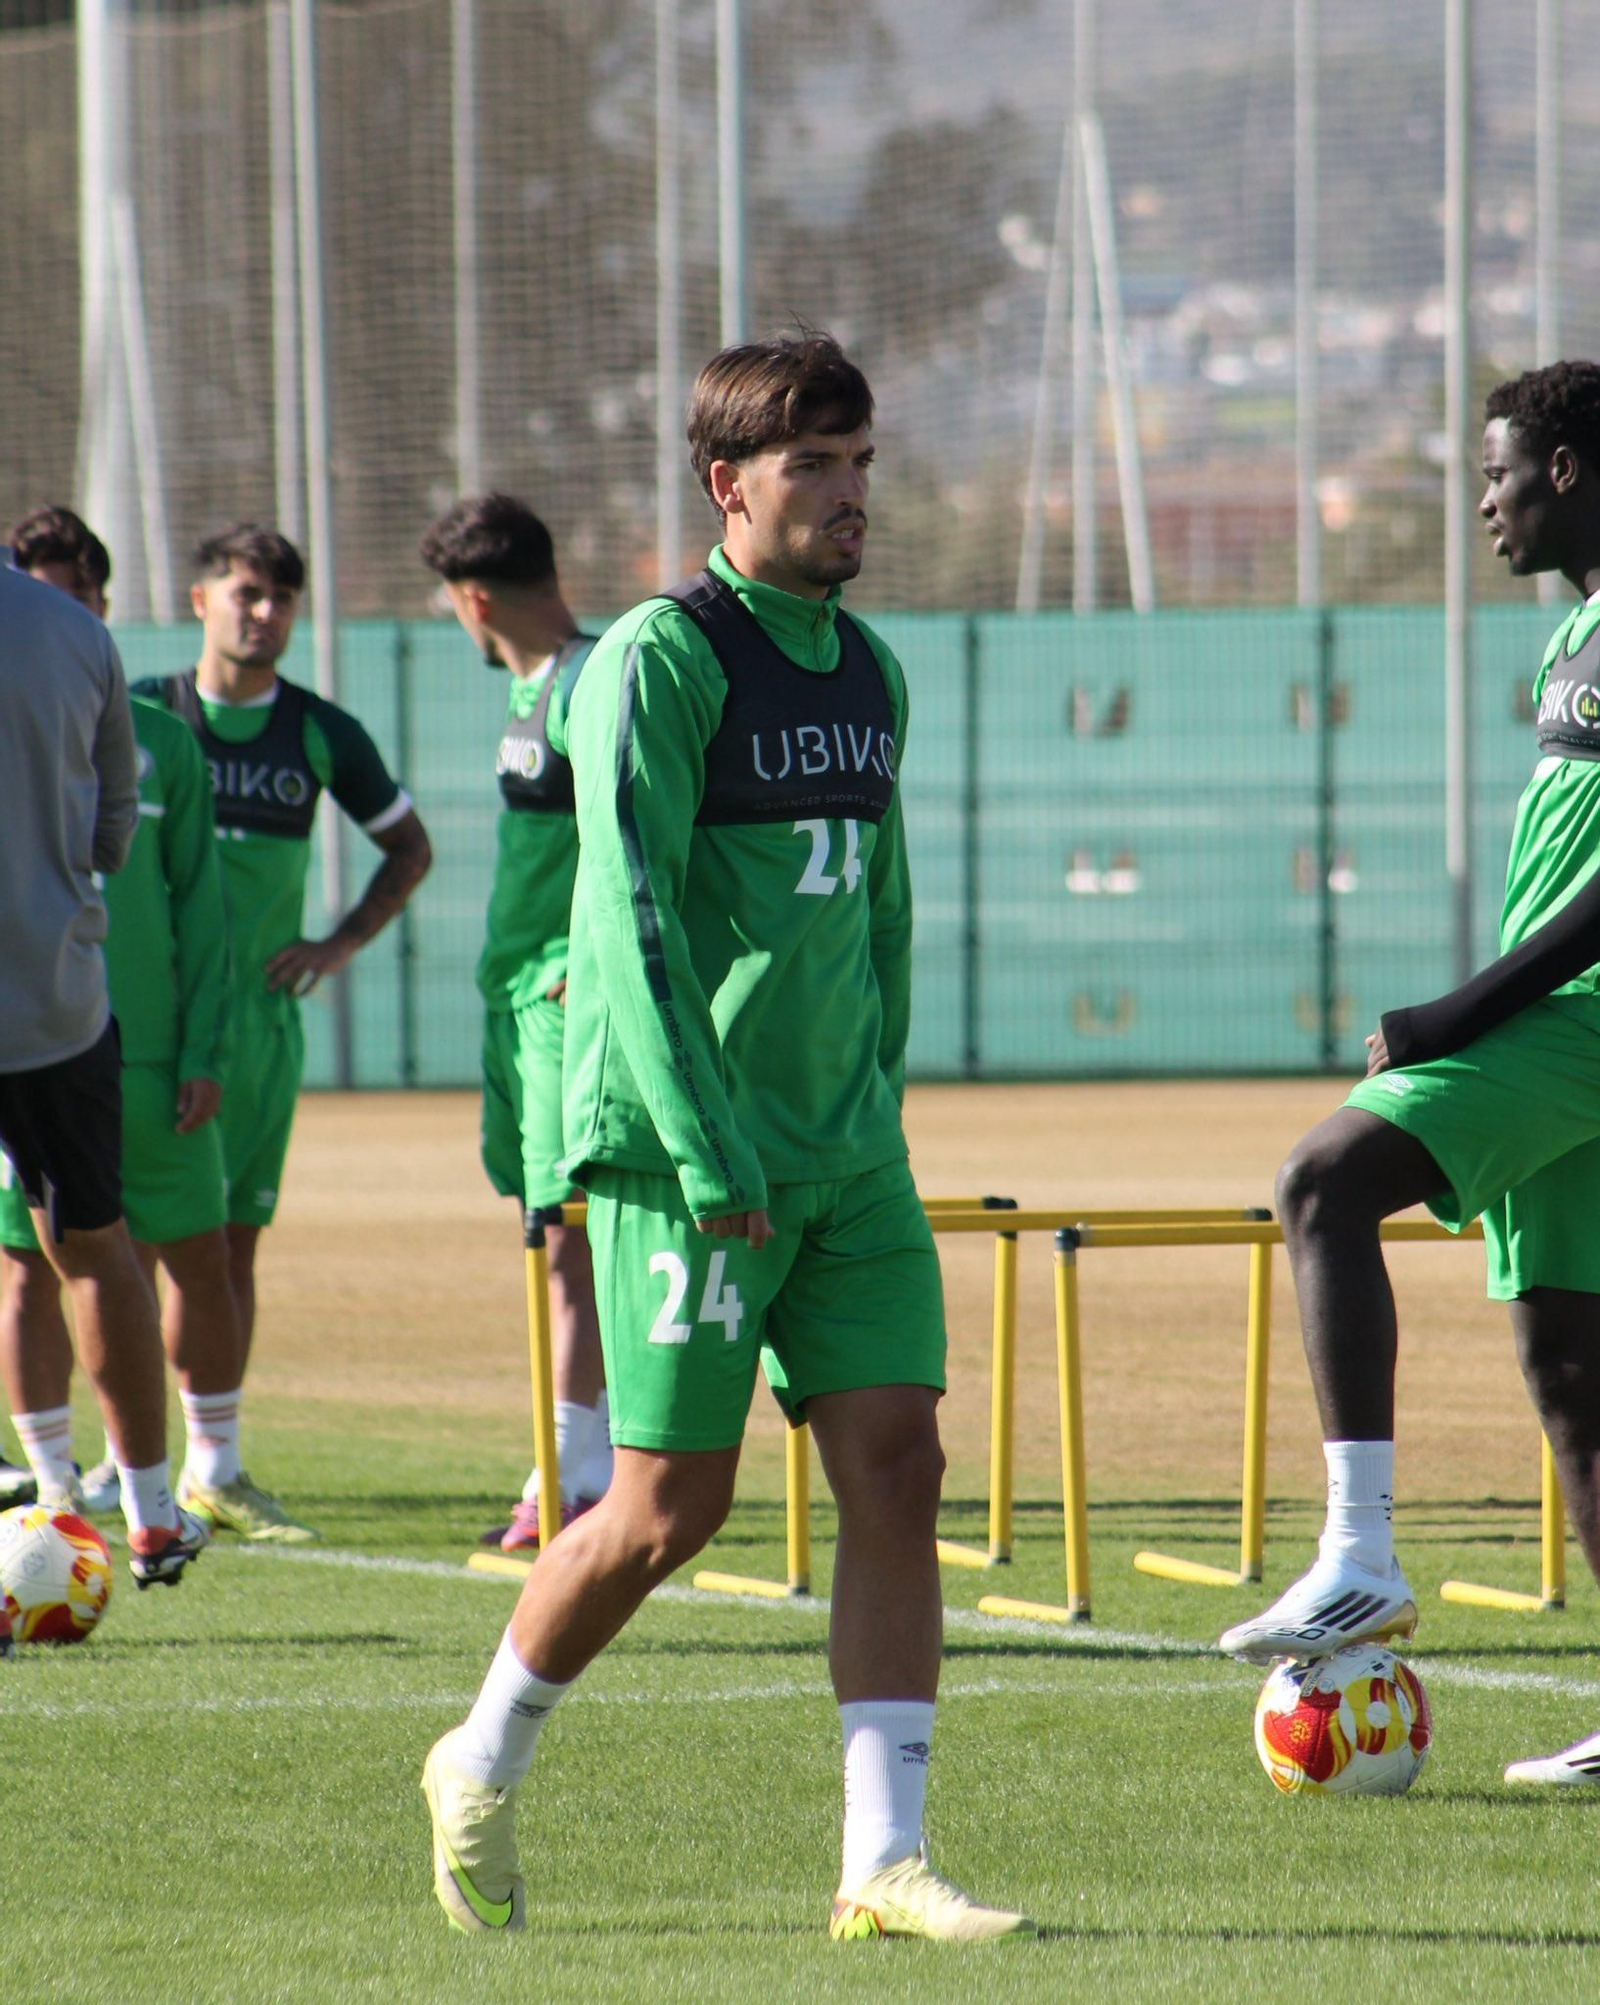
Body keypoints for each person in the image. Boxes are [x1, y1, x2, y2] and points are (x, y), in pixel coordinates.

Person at [422, 332, 1033, 1941]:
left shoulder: (871, 666)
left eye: (861, 465)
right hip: (691, 1165)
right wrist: (709, 1149)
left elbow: (882, 914)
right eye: (814, 466)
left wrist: (873, 1111)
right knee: (663, 1513)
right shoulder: (661, 659)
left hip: (844, 1162)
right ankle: (477, 1756)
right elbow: (624, 918)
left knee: (899, 1469)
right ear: (728, 484)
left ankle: (882, 1864)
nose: (848, 496)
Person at [1220, 360, 1600, 1786]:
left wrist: (1461, 1014)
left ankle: (1358, 1555)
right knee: (1572, 1368)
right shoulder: (1580, 632)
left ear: (1565, 470)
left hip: (1580, 1020)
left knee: (1324, 1181)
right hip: (1566, 1025)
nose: (1486, 504)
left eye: (1498, 475)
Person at [136, 525, 433, 1540]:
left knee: (228, 1250)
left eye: (282, 599)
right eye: (247, 592)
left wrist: (339, 942)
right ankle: (113, 1463)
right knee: (122, 1247)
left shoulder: (318, 732)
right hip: (147, 1027)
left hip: (260, 1034)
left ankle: (212, 1466)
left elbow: (408, 845)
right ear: (200, 595)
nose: (264, 613)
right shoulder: (143, 714)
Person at [0, 508, 285, 1539]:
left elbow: (196, 904)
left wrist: (203, 1047)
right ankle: (74, 1490)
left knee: (168, 1252)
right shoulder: (73, 654)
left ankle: (188, 1474)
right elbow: (110, 843)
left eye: (80, 585)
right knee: (59, 1256)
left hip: (134, 1047)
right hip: (52, 1016)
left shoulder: (167, 733)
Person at [0, 545, 208, 1599]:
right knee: (90, 1244)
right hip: (51, 999)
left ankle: (62, 1487)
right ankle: (155, 1512)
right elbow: (114, 835)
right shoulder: (79, 633)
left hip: (55, 1002)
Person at [419, 495, 611, 1549]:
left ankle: (572, 1469)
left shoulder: (591, 682)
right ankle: (590, 1452)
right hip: (518, 996)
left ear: (474, 598)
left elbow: (640, 835)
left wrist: (588, 967)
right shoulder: (532, 687)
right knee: (547, 1229)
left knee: (564, 1236)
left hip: (563, 1003)